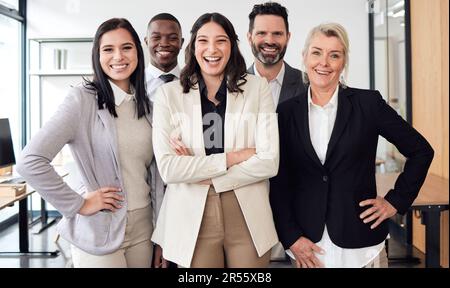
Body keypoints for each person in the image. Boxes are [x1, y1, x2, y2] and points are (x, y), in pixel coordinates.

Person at [270, 23, 434, 268]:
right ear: (304, 57)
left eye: (334, 55)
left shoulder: (368, 104)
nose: (324, 62)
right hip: (308, 248)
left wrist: (395, 202)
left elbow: (421, 150)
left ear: (343, 61)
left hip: (363, 245)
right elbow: (279, 181)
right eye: (316, 52)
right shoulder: (286, 112)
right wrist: (290, 237)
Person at [17, 18, 162, 268]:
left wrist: (161, 235)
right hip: (99, 227)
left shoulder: (148, 107)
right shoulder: (81, 100)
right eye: (108, 49)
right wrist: (79, 203)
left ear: (138, 51)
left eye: (126, 47)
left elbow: (155, 176)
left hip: (145, 229)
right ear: (97, 55)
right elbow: (30, 161)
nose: (118, 56)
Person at [151, 12, 279, 268]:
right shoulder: (168, 95)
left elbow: (269, 163)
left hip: (247, 212)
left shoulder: (257, 88)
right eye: (203, 41)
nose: (212, 49)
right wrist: (233, 158)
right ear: (193, 46)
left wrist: (198, 170)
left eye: (221, 40)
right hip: (192, 215)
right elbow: (169, 169)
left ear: (232, 46)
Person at [143, 12, 184, 268]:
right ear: (146, 40)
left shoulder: (197, 84)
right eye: (156, 37)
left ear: (182, 41)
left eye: (172, 37)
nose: (164, 43)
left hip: (183, 198)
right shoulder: (130, 86)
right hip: (142, 206)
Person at [247, 2, 306, 110]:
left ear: (288, 38)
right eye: (261, 33)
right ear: (250, 38)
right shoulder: (233, 86)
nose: (269, 41)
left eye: (277, 33)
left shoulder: (308, 85)